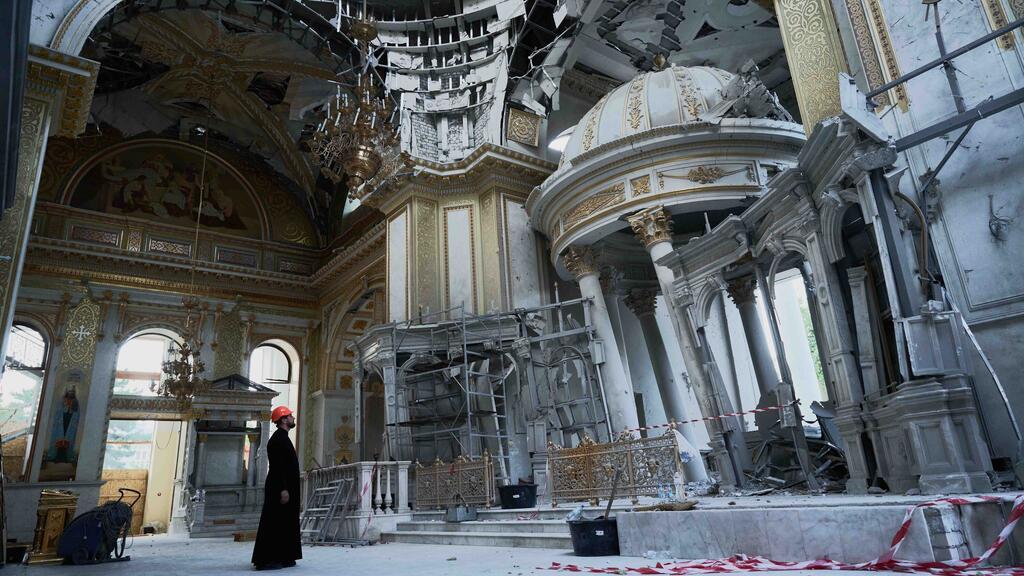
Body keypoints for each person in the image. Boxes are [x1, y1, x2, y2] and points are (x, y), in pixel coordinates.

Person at [252, 406, 302, 571]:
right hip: (279, 487)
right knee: (274, 522)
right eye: (290, 416)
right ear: (283, 420)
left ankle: (285, 556)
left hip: (286, 486)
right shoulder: (277, 439)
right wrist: (283, 489)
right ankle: (267, 559)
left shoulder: (283, 437)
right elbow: (277, 467)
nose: (292, 418)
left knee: (285, 522)